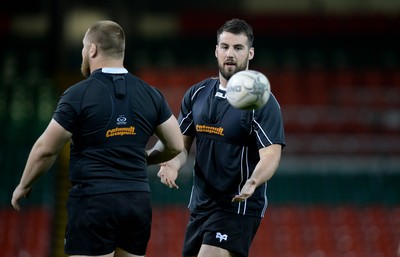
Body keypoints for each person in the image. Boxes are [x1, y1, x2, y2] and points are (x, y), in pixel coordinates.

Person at [11, 20, 184, 257]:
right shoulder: (151, 93)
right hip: (137, 202)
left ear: (92, 50)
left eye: (84, 48)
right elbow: (175, 144)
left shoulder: (77, 94)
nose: (83, 53)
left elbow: (45, 149)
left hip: (94, 202)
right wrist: (146, 158)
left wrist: (24, 184)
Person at [154, 18, 286, 257]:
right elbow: (181, 146)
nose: (230, 54)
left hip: (238, 206)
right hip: (201, 206)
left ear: (251, 53)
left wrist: (254, 181)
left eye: (238, 48)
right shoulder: (197, 94)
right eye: (224, 47)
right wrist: (172, 164)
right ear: (216, 50)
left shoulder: (261, 101)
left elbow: (271, 154)